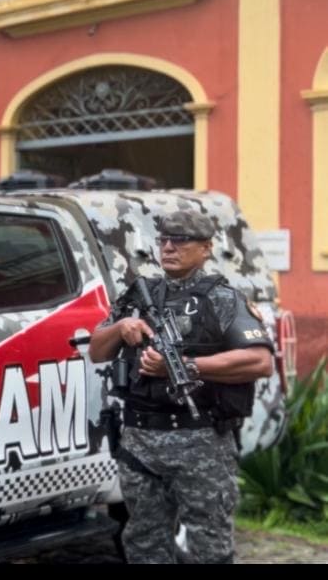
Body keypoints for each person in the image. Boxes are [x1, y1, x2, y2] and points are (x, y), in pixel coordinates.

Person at [88, 210, 274, 563]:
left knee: (209, 546)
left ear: (205, 249)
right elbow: (97, 351)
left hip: (201, 442)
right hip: (141, 441)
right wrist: (122, 327)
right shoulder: (139, 295)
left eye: (181, 240)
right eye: (163, 240)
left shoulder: (222, 298)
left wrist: (185, 366)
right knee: (143, 543)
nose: (169, 247)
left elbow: (259, 361)